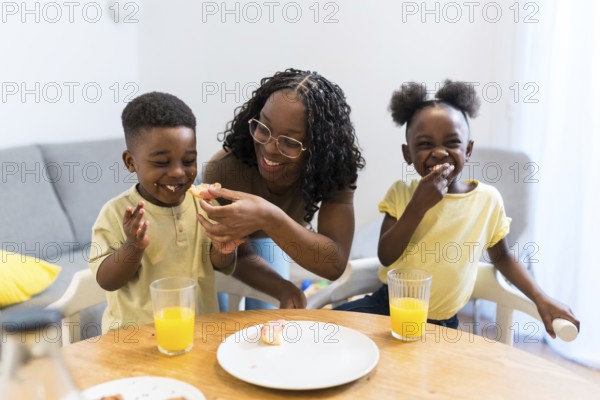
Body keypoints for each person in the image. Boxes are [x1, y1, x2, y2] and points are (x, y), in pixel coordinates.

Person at [335, 80, 580, 337]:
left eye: (452, 142)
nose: (440, 153)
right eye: (426, 144)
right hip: (389, 309)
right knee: (328, 327)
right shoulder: (402, 193)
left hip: (443, 324)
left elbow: (503, 257)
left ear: (468, 149)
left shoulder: (487, 200)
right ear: (408, 154)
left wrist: (541, 298)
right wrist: (418, 206)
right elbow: (386, 256)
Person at [89, 92, 304, 333]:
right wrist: (133, 246)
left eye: (188, 160)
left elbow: (218, 264)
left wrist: (224, 250)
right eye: (162, 163)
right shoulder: (118, 213)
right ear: (131, 162)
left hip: (198, 335)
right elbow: (107, 281)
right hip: (134, 342)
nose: (178, 172)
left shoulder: (204, 205)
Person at [199, 68, 365, 309]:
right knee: (218, 309)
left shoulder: (334, 169)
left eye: (290, 141)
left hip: (270, 232)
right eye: (263, 128)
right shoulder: (224, 171)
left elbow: (334, 265)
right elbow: (233, 254)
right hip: (217, 237)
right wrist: (282, 286)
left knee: (267, 312)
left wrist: (268, 216)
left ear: (317, 148)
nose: (269, 148)